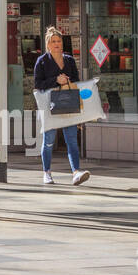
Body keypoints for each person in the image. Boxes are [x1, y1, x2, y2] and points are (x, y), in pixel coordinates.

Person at [33, 26, 91, 186]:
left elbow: (76, 81)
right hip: (50, 104)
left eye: (59, 41)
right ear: (48, 44)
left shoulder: (70, 60)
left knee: (72, 139)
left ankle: (76, 172)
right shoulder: (42, 61)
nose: (57, 44)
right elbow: (38, 84)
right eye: (53, 41)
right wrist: (55, 80)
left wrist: (68, 82)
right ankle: (47, 172)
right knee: (49, 140)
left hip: (68, 103)